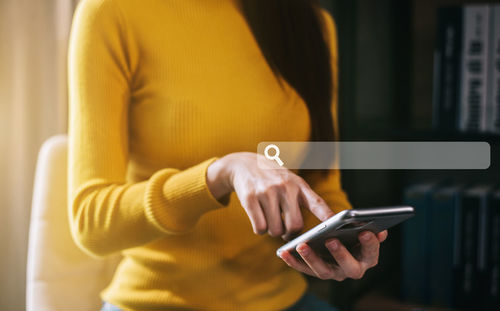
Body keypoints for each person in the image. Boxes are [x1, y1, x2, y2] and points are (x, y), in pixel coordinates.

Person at [68, 0, 388, 310]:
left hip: (282, 300)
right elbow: (92, 221)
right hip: (157, 303)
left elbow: (321, 187)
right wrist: (218, 176)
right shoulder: (111, 12)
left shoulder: (312, 24)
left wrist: (339, 240)